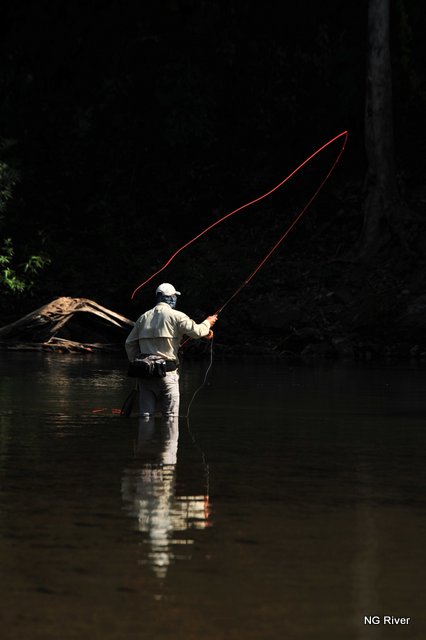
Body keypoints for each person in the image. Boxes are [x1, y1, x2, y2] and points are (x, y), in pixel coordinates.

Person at [125, 283, 217, 417]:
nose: (174, 299)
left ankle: (145, 437)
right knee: (171, 417)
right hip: (167, 373)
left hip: (145, 374)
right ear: (171, 298)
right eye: (173, 296)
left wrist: (137, 362)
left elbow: (129, 343)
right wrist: (208, 322)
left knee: (145, 416)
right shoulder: (177, 316)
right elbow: (198, 331)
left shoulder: (143, 317)